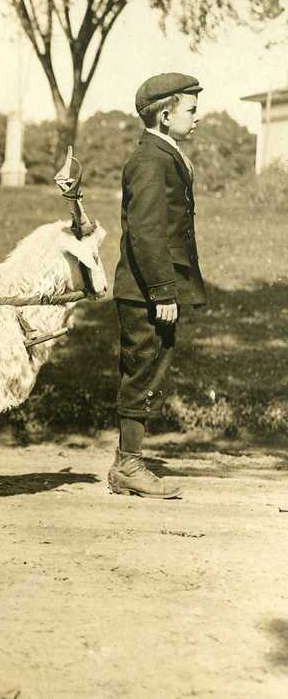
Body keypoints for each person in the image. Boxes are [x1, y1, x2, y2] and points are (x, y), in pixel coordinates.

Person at [109, 72, 206, 499]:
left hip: (149, 287)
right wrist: (163, 290)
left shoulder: (163, 154)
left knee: (149, 366)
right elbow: (146, 232)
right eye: (191, 110)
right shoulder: (150, 160)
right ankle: (128, 465)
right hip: (146, 289)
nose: (197, 118)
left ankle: (126, 462)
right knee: (144, 368)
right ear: (165, 115)